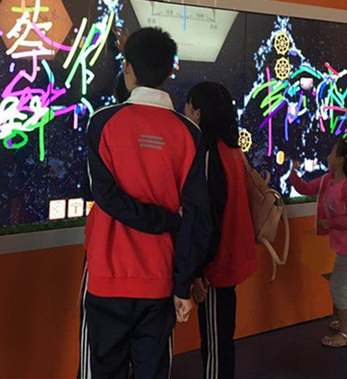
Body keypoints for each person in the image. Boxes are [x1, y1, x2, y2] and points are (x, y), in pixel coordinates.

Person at [79, 27, 212, 379]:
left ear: (128, 68)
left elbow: (106, 198)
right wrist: (182, 282)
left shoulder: (102, 122)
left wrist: (166, 220)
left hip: (107, 275)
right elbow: (196, 217)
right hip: (159, 278)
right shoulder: (189, 132)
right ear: (168, 71)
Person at [183, 82, 257, 379]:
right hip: (231, 259)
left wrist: (199, 270)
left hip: (217, 266)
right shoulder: (232, 150)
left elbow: (208, 218)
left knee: (215, 342)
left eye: (188, 105)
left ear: (199, 113)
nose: (184, 111)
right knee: (222, 337)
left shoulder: (209, 154)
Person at [290, 141, 347, 348]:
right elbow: (306, 188)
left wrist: (331, 223)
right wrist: (293, 173)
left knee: (339, 285)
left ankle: (346, 333)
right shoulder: (328, 180)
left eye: (333, 153)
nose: (328, 157)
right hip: (346, 245)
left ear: (341, 160)